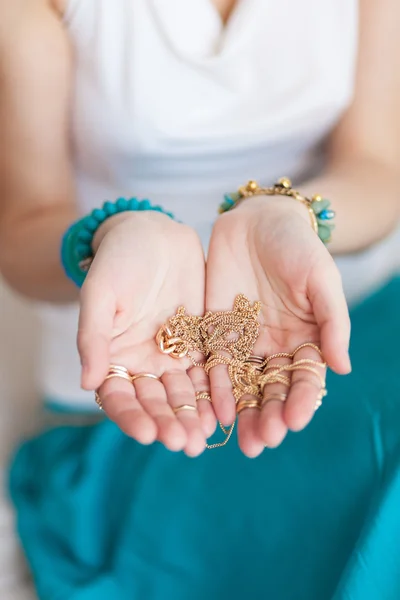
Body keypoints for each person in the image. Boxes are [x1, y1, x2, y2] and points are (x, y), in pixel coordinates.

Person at [0, 0, 399, 598]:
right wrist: (111, 231)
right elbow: (24, 226)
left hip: (335, 315)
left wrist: (290, 214)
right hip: (147, 359)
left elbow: (378, 166)